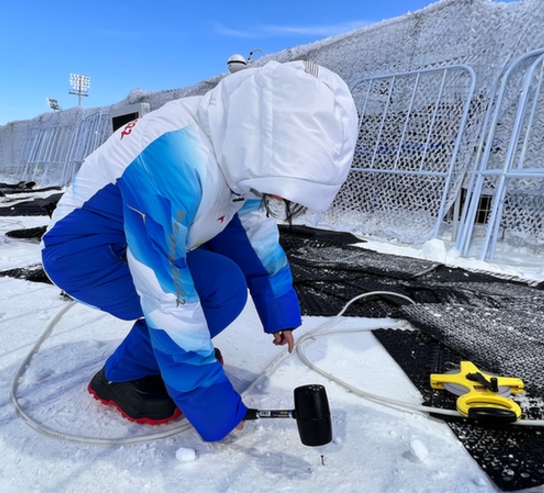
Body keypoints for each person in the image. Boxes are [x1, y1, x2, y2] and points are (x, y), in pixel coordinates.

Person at [41, 60, 359, 442]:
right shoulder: (173, 159)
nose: (281, 197)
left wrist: (280, 313)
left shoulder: (235, 152)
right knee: (216, 287)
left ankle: (164, 359)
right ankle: (121, 376)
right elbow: (167, 293)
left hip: (136, 239)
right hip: (85, 255)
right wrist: (212, 403)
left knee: (222, 282)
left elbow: (254, 237)